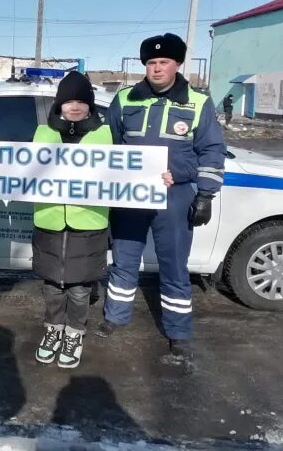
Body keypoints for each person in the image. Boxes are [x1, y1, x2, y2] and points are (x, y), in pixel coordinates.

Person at [98, 33, 226, 359]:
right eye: (151, 62)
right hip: (130, 195)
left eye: (163, 62)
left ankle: (178, 330)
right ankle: (115, 316)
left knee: (174, 265)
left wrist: (205, 194)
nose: (156, 68)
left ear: (177, 64)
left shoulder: (197, 102)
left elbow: (211, 150)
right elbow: (108, 143)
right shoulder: (126, 99)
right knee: (124, 260)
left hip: (175, 195)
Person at [30, 72, 112, 369]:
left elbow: (126, 172)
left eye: (81, 101)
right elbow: (27, 170)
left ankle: (75, 333)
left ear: (90, 105)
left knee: (80, 289)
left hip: (88, 223)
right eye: (68, 101)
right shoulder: (43, 132)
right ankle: (53, 329)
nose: (74, 107)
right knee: (52, 285)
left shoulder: (104, 134)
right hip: (49, 221)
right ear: (59, 104)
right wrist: (1, 165)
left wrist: (156, 177)